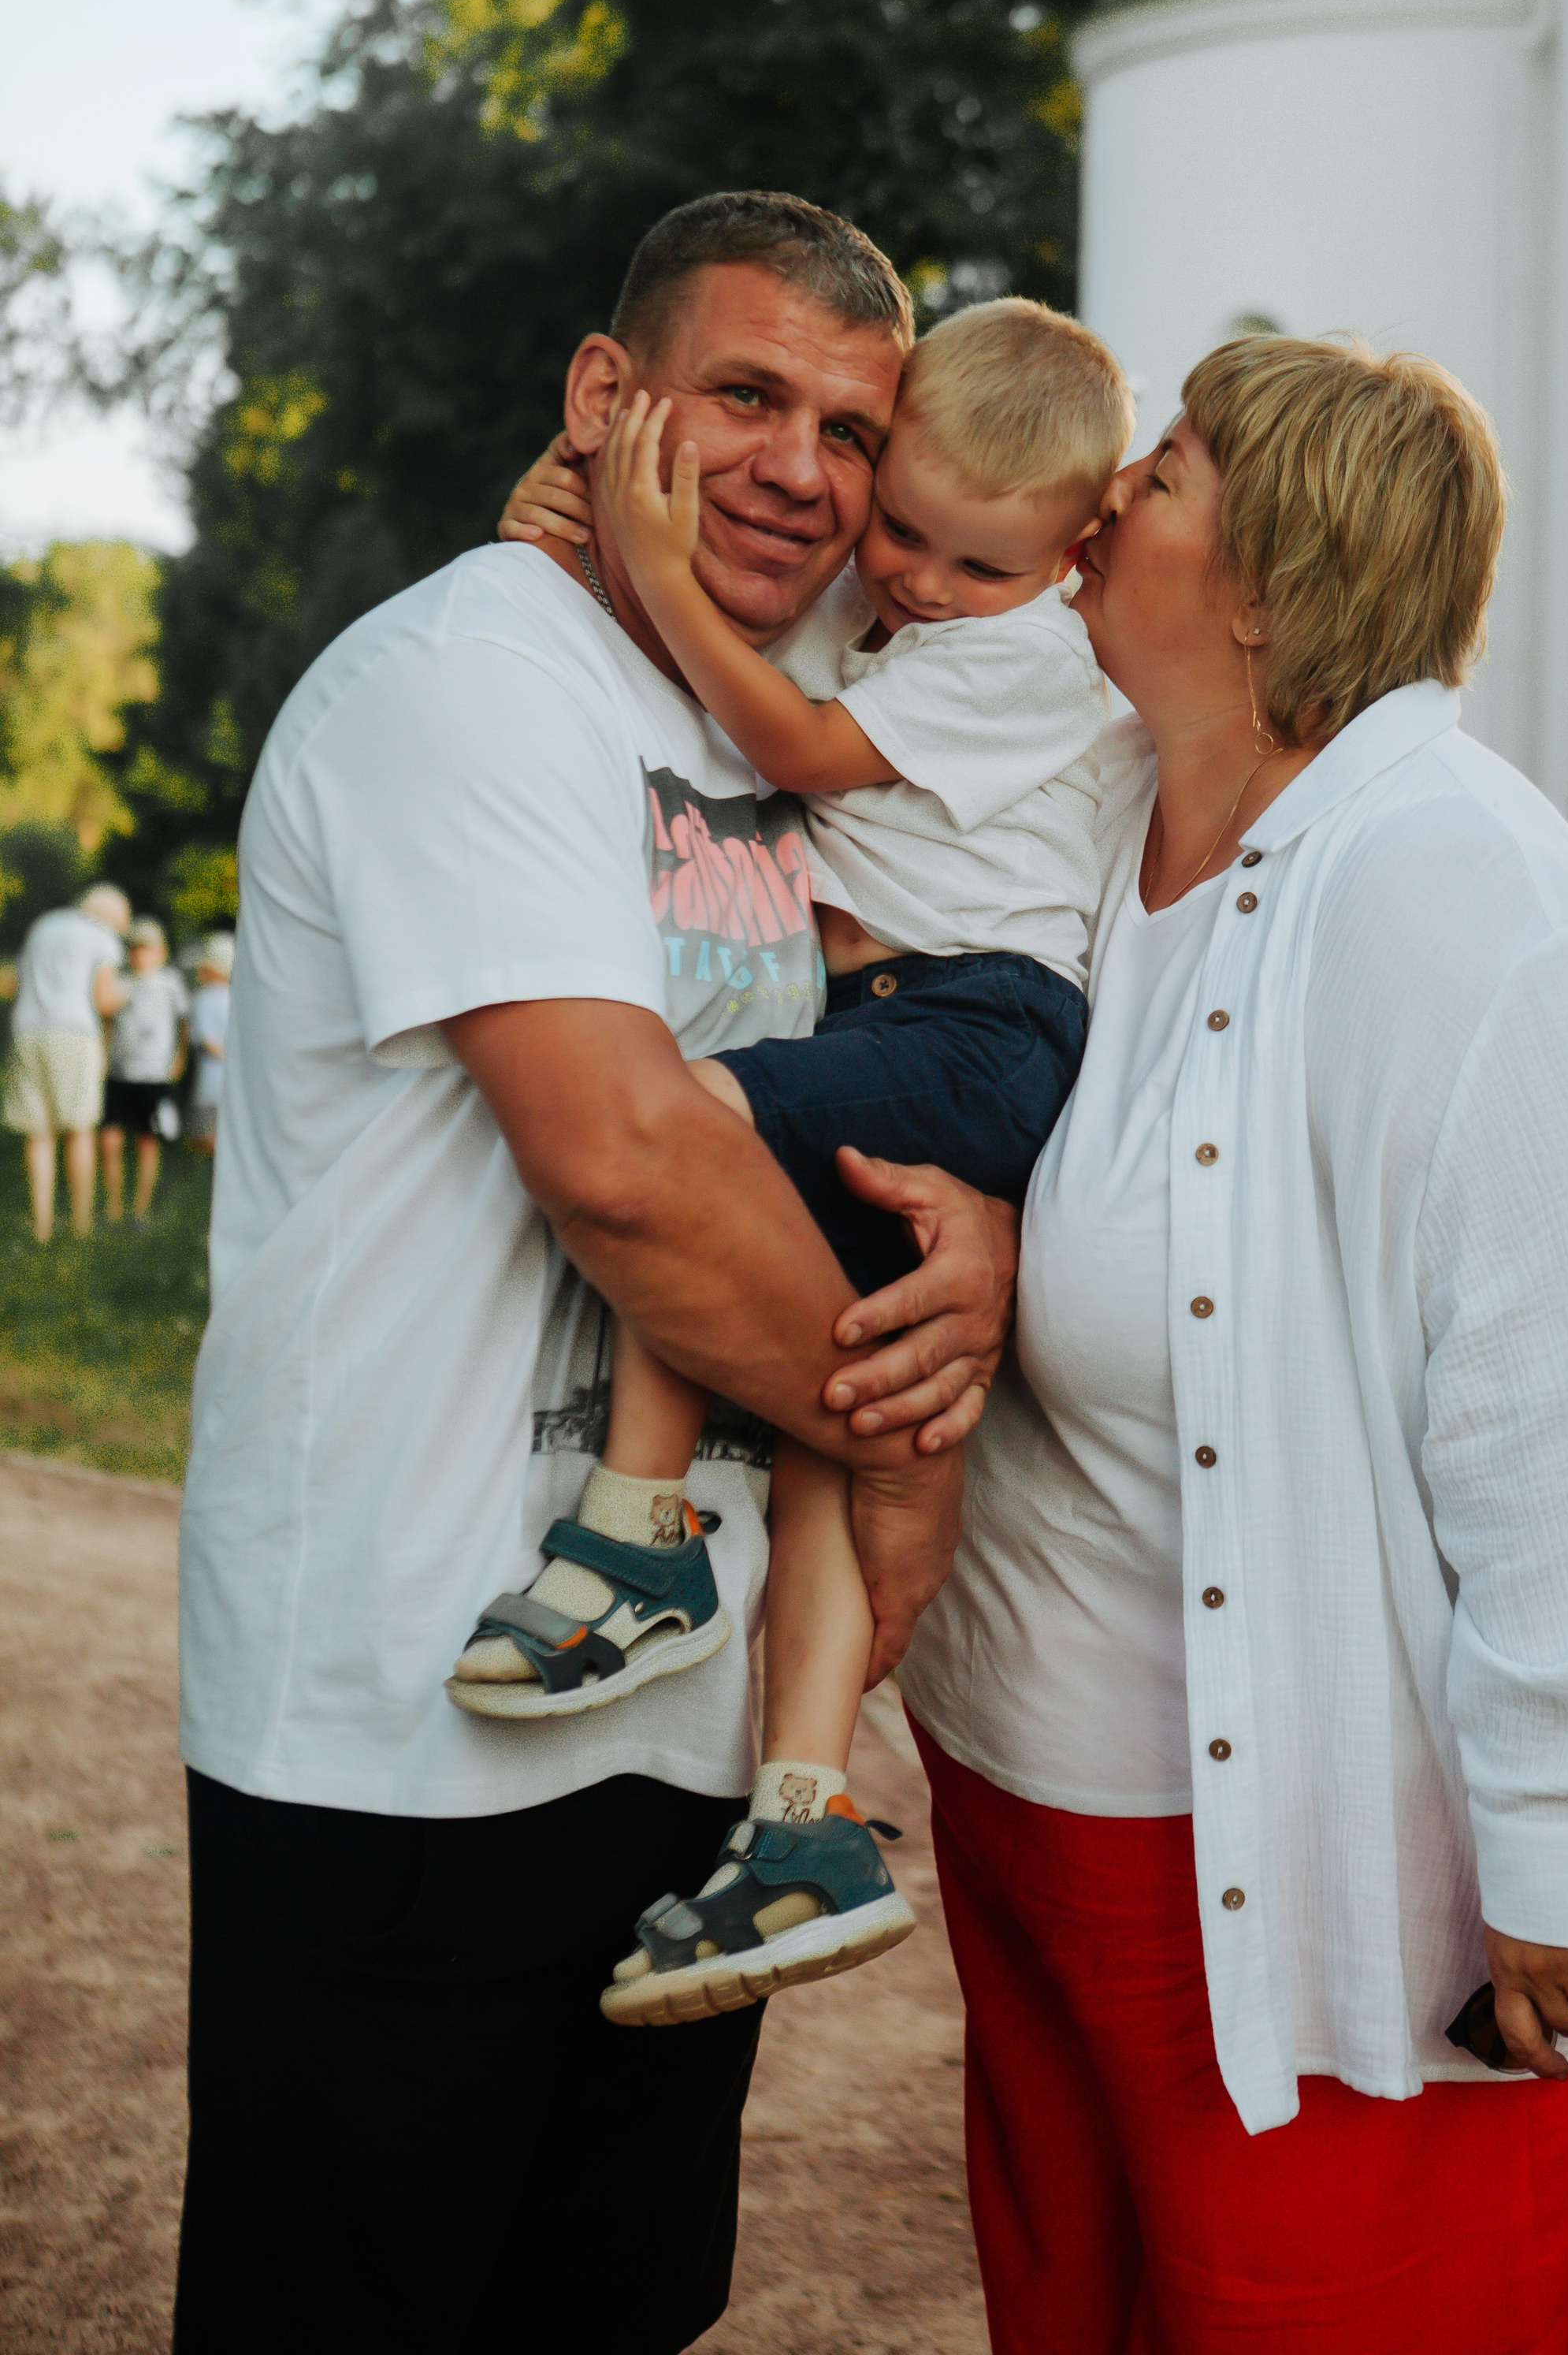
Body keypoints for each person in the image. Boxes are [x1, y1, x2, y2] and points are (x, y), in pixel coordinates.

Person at [173, 192, 1016, 2355]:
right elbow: (628, 1163)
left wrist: (982, 1231)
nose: (801, 468)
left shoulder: (775, 722)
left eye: (849, 425)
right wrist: (903, 1441)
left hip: (667, 1724)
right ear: (604, 398)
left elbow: (915, 1052)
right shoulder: (471, 681)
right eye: (745, 395)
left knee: (612, 2302)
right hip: (407, 1716)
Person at [899, 334, 1568, 2355]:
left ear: (1273, 576)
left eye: (1162, 473)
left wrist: (1559, 1858)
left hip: (1311, 1867)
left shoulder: (1457, 895)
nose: (1103, 500)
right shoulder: (1105, 820)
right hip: (1043, 1815)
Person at [475, 298, 1130, 2023]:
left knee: (676, 1120)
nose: (910, 579)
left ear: (1071, 553)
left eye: (971, 564)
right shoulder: (932, 601)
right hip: (909, 1027)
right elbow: (769, 597)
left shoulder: (1039, 650)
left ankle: (637, 1535)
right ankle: (804, 1816)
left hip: (970, 1031)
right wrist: (586, 513)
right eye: (896, 527)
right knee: (827, 1437)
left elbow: (795, 744)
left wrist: (655, 566)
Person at [4, 880, 129, 1241]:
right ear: (113, 917)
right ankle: (80, 1226)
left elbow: (14, 983)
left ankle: (41, 1226)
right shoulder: (101, 935)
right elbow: (104, 1000)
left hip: (27, 1029)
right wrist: (129, 993)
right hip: (73, 1033)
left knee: (38, 1131)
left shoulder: (43, 925)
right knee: (78, 1127)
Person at [101, 917, 189, 1222]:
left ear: (161, 952)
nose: (140, 955)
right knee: (110, 1141)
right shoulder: (120, 983)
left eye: (147, 949)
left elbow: (183, 1023)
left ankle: (140, 1210)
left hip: (153, 1073)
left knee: (147, 1140)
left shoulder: (170, 983)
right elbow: (108, 1022)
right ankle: (113, 1208)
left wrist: (179, 1057)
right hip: (119, 1072)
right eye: (135, 948)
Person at [180, 934, 233, 1154]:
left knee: (204, 1137)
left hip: (210, 1082)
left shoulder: (204, 998)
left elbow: (206, 1041)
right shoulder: (237, 997)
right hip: (233, 1083)